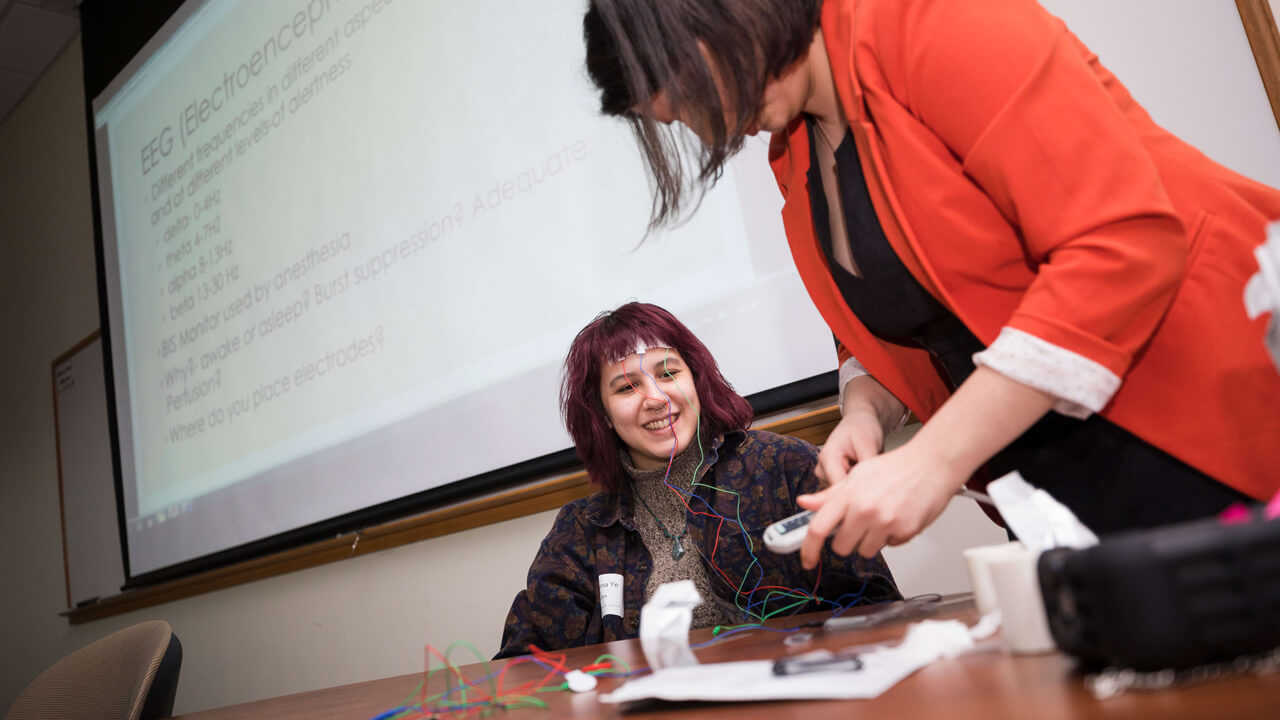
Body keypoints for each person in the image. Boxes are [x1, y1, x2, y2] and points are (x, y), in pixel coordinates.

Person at [582, 0, 1280, 569]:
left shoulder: (933, 22)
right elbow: (912, 314)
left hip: (1202, 424)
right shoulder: (793, 150)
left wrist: (937, 458)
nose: (713, 134)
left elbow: (1120, 245)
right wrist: (865, 413)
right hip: (1050, 481)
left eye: (692, 104)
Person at [493, 302, 900, 659]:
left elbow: (878, 608)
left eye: (668, 373)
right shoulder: (582, 531)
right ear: (602, 415)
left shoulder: (783, 466)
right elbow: (524, 662)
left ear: (696, 380)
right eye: (626, 387)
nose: (656, 397)